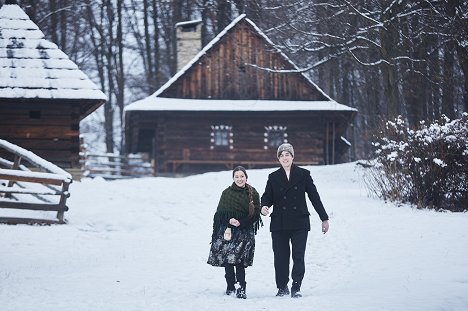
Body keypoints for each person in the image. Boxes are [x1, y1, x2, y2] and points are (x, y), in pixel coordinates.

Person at [260, 143, 329, 298]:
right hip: (279, 223)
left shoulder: (304, 174)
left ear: (292, 156)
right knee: (280, 256)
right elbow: (267, 196)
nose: (285, 157)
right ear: (278, 158)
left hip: (299, 222)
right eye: (282, 155)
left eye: (287, 154)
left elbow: (314, 197)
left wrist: (324, 218)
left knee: (298, 255)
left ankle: (296, 287)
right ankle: (282, 287)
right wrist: (264, 206)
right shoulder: (273, 177)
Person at [207, 166, 262, 299]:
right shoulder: (227, 193)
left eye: (242, 176)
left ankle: (241, 288)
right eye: (236, 176)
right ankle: (230, 286)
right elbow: (219, 214)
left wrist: (241, 222)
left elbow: (255, 214)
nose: (239, 179)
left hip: (244, 231)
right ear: (233, 178)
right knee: (228, 260)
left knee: (240, 261)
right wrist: (230, 220)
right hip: (228, 231)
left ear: (246, 177)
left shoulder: (253, 193)